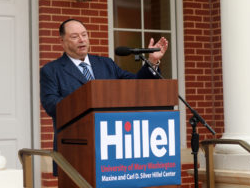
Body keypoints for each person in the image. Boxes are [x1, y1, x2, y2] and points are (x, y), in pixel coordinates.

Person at [40, 19, 168, 175]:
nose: (82, 40)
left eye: (84, 35)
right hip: (75, 151)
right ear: (62, 41)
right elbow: (52, 105)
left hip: (112, 149)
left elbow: (135, 84)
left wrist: (152, 61)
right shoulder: (51, 70)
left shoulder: (106, 64)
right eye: (75, 36)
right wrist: (88, 99)